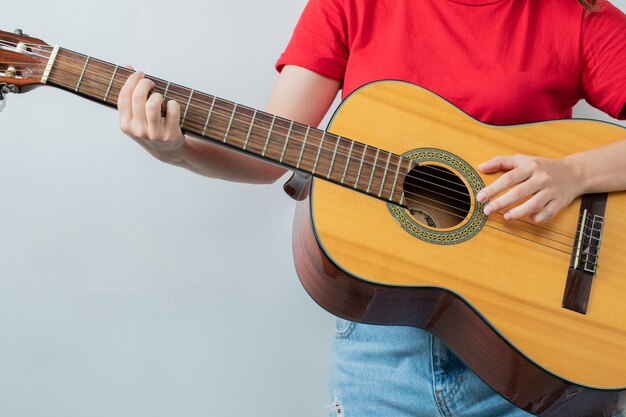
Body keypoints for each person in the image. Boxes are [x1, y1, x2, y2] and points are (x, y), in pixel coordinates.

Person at [118, 0, 626, 415]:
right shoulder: (352, 3)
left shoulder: (578, 17)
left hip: (536, 349)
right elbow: (273, 148)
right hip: (380, 357)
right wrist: (178, 150)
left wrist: (575, 174)